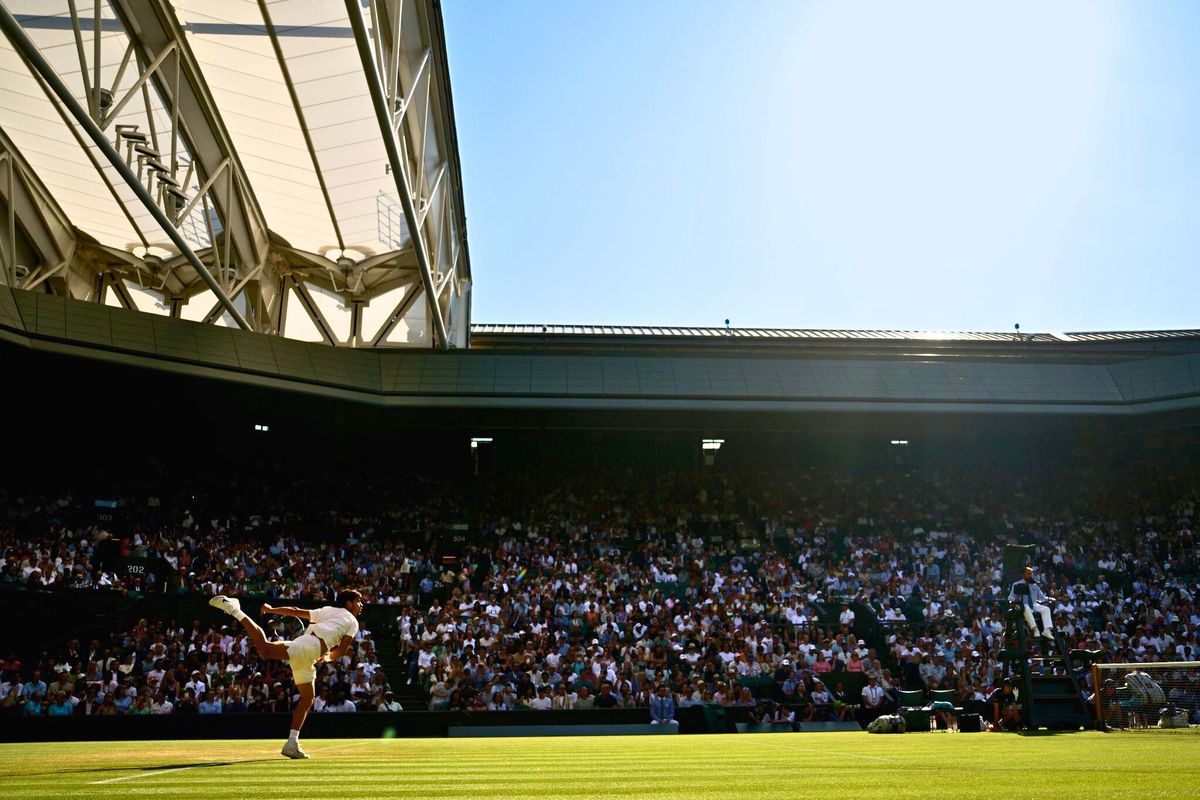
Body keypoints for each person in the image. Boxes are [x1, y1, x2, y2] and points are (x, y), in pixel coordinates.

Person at [210, 589, 363, 759]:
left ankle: (292, 742)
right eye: (358, 601)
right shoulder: (353, 621)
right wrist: (327, 658)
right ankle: (234, 609)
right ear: (349, 603)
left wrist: (271, 610)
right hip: (308, 648)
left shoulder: (326, 610)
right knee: (266, 649)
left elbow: (295, 611)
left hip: (307, 656)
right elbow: (341, 650)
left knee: (308, 697)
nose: (361, 605)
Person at [1009, 566, 1054, 640]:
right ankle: (1035, 629)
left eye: (1031, 574)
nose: (1030, 575)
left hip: (1034, 604)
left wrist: (1050, 598)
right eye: (1028, 574)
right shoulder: (1017, 584)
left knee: (1046, 609)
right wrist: (1015, 600)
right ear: (1023, 575)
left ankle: (1047, 630)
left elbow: (1041, 597)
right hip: (1023, 605)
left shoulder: (1034, 585)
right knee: (1025, 608)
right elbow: (1011, 597)